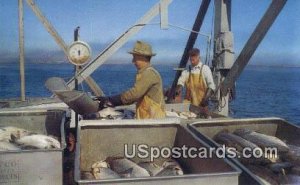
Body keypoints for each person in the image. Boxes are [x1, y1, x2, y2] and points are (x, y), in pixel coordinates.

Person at [95, 40, 166, 119]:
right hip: (148, 117)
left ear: (143, 58)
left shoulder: (149, 73)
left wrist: (111, 100)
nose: (133, 61)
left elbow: (134, 94)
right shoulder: (146, 73)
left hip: (153, 118)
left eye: (135, 58)